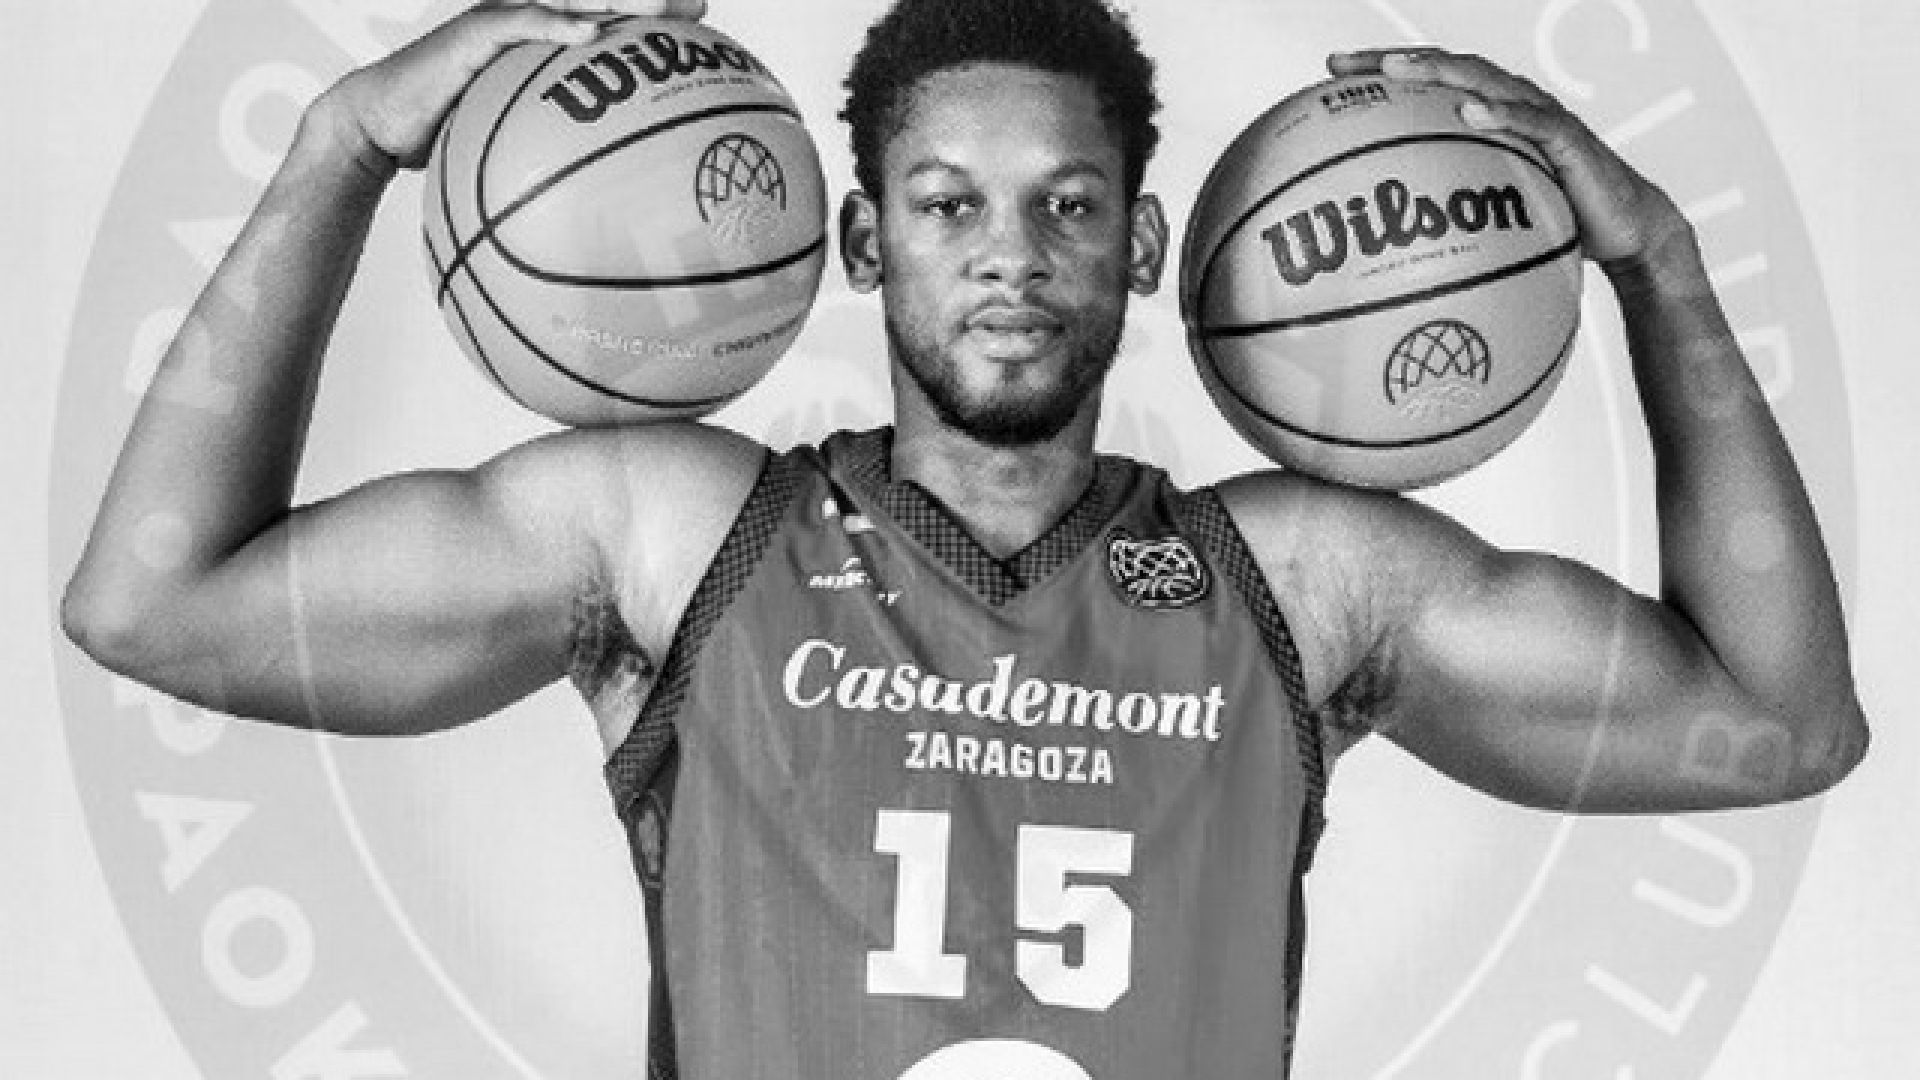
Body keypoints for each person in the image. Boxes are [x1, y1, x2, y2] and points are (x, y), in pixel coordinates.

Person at [63, 0, 1867, 1075]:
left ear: (1142, 247)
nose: (1010, 254)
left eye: (1067, 205)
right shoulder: (678, 535)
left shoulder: (1304, 580)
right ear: (866, 245)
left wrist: (1660, 264)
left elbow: (1781, 725)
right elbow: (153, 604)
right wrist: (337, 148)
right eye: (947, 205)